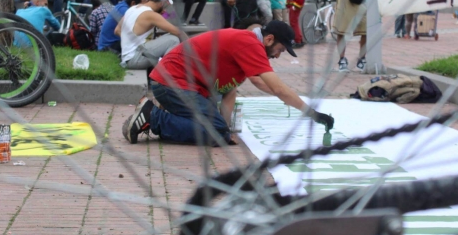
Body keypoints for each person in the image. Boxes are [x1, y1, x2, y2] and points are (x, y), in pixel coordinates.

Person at [122, 20, 335, 145]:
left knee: (219, 132)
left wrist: (227, 130)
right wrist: (313, 114)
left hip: (176, 83)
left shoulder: (248, 43)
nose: (278, 56)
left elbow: (233, 90)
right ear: (269, 39)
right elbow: (277, 88)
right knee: (214, 133)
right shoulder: (250, 44)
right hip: (172, 83)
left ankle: (165, 111)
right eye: (279, 50)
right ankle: (154, 117)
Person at [115, 0, 187, 69]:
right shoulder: (151, 15)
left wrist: (133, 41)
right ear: (163, 3)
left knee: (165, 41)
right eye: (167, 5)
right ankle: (167, 73)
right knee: (173, 39)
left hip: (128, 58)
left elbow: (117, 30)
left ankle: (162, 69)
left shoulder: (133, 8)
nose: (166, 9)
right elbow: (178, 32)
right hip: (136, 59)